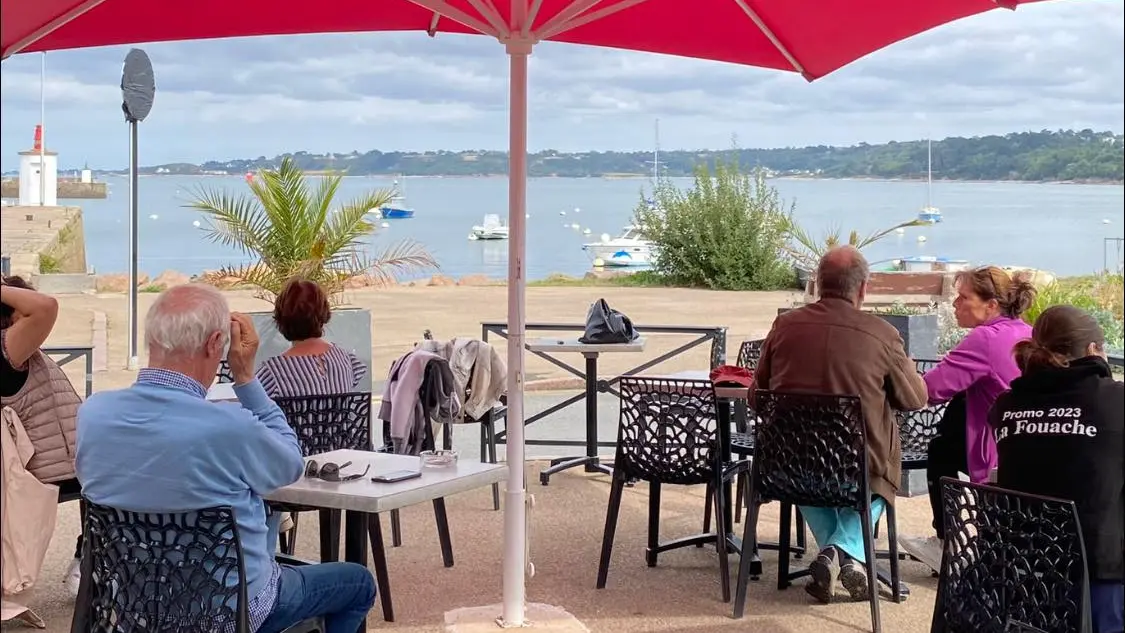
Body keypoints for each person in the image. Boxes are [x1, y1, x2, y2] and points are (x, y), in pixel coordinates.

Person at [76, 284, 375, 633]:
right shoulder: (229, 427)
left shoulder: (93, 415)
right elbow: (290, 465)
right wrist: (246, 377)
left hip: (136, 606)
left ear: (151, 337)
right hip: (230, 611)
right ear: (215, 343)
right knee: (357, 583)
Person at [750, 246, 928, 603]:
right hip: (857, 468)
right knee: (879, 484)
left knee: (807, 476)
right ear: (863, 288)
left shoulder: (785, 326)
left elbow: (757, 395)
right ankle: (843, 553)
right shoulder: (882, 334)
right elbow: (915, 399)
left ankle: (838, 557)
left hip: (787, 464)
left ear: (816, 283)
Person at [991, 305, 1123, 633]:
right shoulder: (1115, 402)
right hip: (1098, 577)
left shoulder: (1006, 406)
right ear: (1094, 350)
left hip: (1022, 577)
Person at [898, 266, 1035, 572]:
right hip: (1024, 443)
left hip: (994, 449)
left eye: (963, 297)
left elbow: (928, 391)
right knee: (944, 443)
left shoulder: (985, 339)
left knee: (941, 448)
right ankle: (949, 542)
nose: (955, 304)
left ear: (992, 305)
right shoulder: (1025, 331)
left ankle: (945, 543)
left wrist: (901, 369)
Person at [0, 275, 85, 596]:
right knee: (122, 477)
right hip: (52, 468)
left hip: (62, 459)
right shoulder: (9, 348)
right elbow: (46, 307)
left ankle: (87, 558)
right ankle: (87, 560)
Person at [256, 278, 367, 398]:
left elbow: (250, 403)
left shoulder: (273, 372)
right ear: (323, 313)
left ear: (281, 318)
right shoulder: (346, 359)